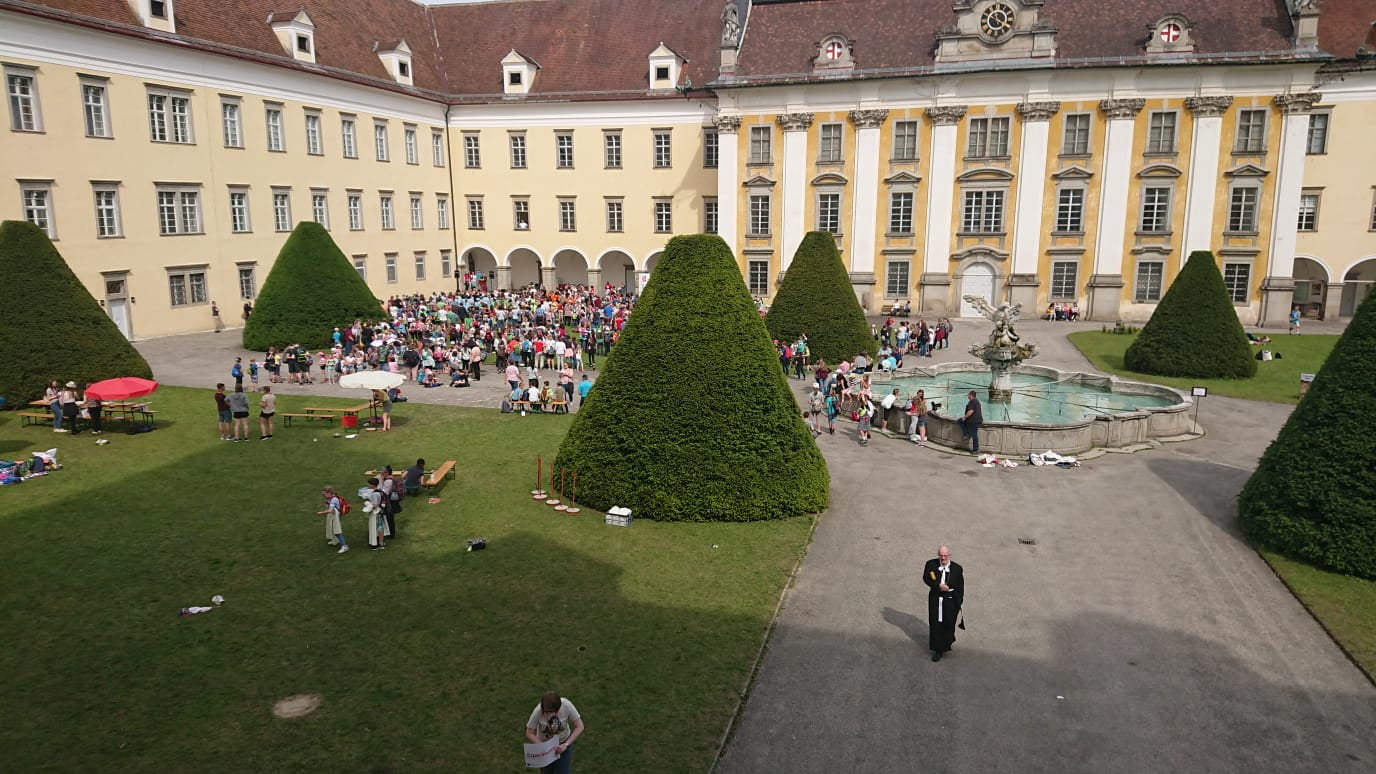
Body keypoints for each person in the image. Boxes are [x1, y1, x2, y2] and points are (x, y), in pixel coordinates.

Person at [525, 691, 585, 774]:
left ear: (557, 709)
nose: (547, 715)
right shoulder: (538, 711)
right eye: (545, 712)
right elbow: (529, 732)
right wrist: (543, 746)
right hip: (545, 749)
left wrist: (566, 744)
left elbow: (580, 726)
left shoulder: (566, 705)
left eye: (550, 712)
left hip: (563, 745)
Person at [922, 546, 964, 661]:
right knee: (936, 623)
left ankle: (947, 643)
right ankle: (938, 649)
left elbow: (961, 586)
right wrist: (938, 585)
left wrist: (959, 601)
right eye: (941, 555)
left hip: (950, 600)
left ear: (949, 555)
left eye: (945, 556)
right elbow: (926, 578)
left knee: (949, 623)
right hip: (936, 599)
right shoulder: (931, 564)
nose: (943, 558)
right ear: (938, 555)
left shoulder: (957, 568)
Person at [317, 486, 349, 554]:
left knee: (337, 531)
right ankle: (335, 541)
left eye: (324, 494)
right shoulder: (330, 499)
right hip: (333, 516)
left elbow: (330, 510)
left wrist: (321, 513)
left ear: (329, 493)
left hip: (335, 517)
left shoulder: (333, 499)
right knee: (332, 529)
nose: (323, 496)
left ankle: (344, 546)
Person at [363, 477, 388, 550]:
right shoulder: (380, 491)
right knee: (380, 527)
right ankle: (381, 542)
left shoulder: (374, 494)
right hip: (381, 511)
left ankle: (379, 544)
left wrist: (367, 504)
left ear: (372, 485)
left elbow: (375, 505)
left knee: (378, 527)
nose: (368, 485)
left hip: (376, 513)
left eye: (369, 484)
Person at [379, 465, 401, 539]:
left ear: (386, 472)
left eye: (382, 471)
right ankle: (390, 533)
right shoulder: (391, 478)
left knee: (389, 518)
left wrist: (381, 482)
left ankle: (391, 534)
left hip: (389, 502)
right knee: (389, 518)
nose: (381, 472)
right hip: (391, 501)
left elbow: (384, 492)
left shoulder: (388, 481)